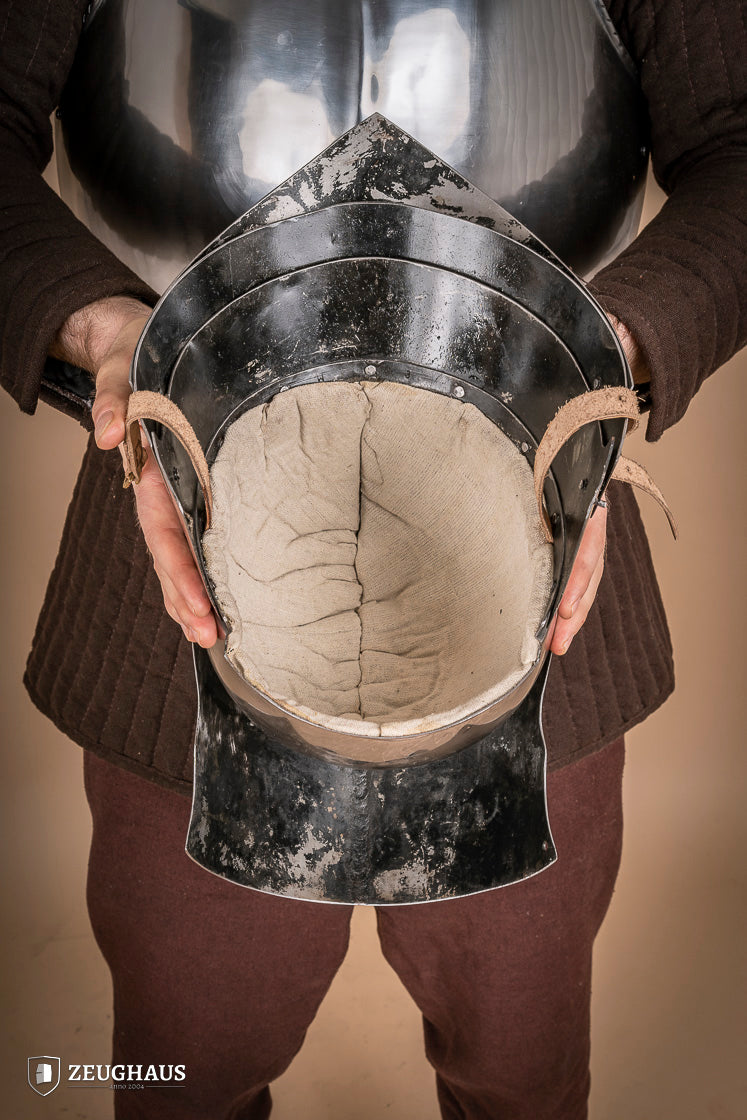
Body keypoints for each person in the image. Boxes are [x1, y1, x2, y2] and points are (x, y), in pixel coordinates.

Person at [0, 1, 744, 1117]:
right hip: (176, 530)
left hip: (537, 543)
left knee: (523, 1078)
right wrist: (113, 338)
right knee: (181, 1075)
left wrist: (588, 371)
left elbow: (736, 143)